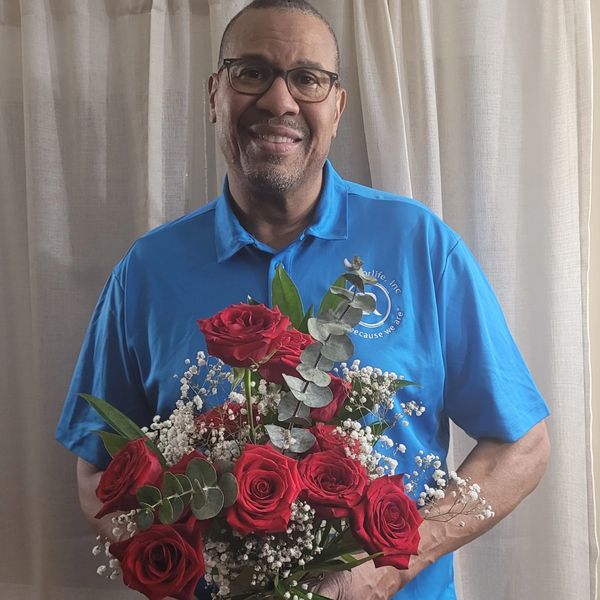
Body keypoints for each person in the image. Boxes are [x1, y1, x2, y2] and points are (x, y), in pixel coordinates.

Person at [56, 1, 550, 599]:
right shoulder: (147, 272)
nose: (279, 102)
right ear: (215, 94)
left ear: (337, 107)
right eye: (251, 72)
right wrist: (188, 574)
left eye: (307, 79)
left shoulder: (420, 246)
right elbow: (98, 469)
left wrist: (395, 562)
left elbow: (523, 444)